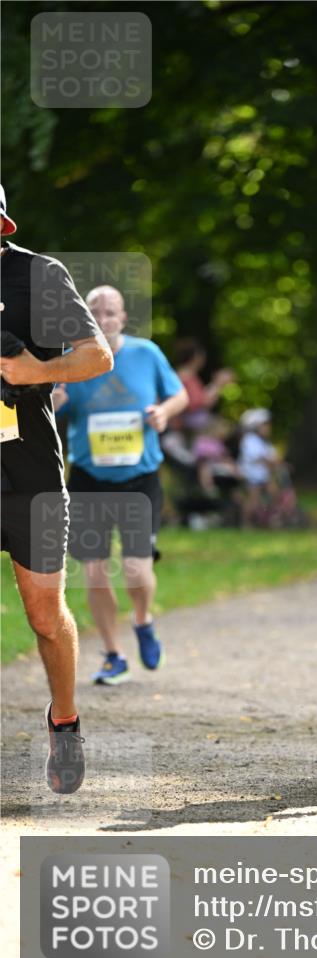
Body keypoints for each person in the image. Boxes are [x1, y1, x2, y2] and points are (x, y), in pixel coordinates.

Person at [0, 185, 114, 793]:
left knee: (44, 614)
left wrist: (39, 371)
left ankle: (64, 721)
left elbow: (97, 357)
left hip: (30, 474)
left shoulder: (39, 277)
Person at [53, 285, 188, 685]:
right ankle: (114, 654)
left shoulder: (146, 353)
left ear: (122, 318)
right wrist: (55, 399)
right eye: (95, 311)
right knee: (94, 572)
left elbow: (178, 396)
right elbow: (55, 403)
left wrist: (162, 413)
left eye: (110, 311)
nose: (103, 317)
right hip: (88, 480)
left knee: (135, 569)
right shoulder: (72, 360)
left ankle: (144, 621)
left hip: (139, 479)